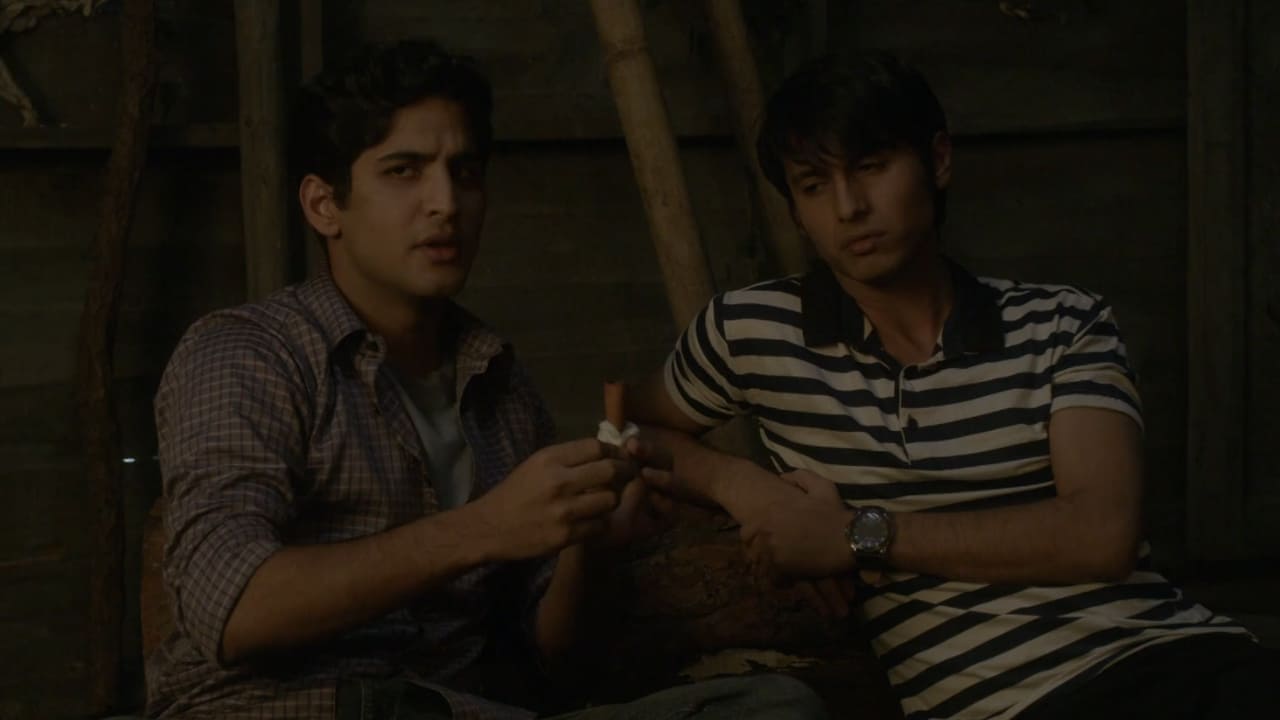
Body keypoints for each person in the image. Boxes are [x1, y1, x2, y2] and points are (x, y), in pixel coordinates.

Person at [146, 39, 828, 720]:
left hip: (462, 709)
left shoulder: (498, 384)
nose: (445, 202)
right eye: (404, 171)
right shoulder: (250, 353)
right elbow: (230, 608)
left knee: (777, 709)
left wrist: (588, 541)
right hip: (295, 709)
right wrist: (485, 527)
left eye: (465, 172)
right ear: (324, 205)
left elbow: (551, 660)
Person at [624, 51, 1280, 719]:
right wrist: (749, 490)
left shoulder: (1064, 321)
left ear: (937, 160)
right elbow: (622, 426)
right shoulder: (752, 330)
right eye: (814, 185)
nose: (849, 208)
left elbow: (1102, 534)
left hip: (1185, 660)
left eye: (871, 167)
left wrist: (855, 534)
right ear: (795, 210)